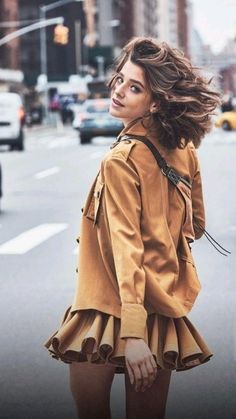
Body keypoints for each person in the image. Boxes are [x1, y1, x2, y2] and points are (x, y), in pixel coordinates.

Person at [45, 37, 221, 419]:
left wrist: (133, 334)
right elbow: (198, 226)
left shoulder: (120, 161)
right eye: (121, 80)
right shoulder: (184, 149)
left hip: (106, 313)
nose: (119, 91)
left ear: (155, 102)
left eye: (135, 87)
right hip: (158, 311)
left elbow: (126, 250)